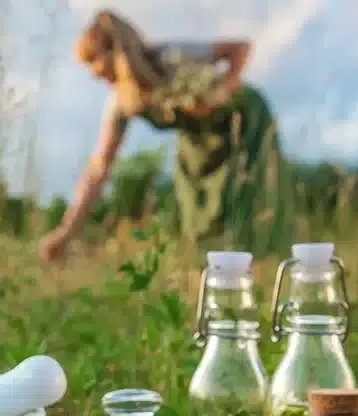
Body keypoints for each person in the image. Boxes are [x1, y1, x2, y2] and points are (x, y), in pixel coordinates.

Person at [39, 9, 293, 262]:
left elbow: (240, 48)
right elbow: (99, 167)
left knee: (247, 199)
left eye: (94, 59)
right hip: (200, 143)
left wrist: (223, 90)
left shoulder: (170, 57)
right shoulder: (120, 102)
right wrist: (65, 232)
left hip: (244, 121)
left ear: (116, 51)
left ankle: (257, 268)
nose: (93, 73)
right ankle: (212, 270)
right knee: (199, 207)